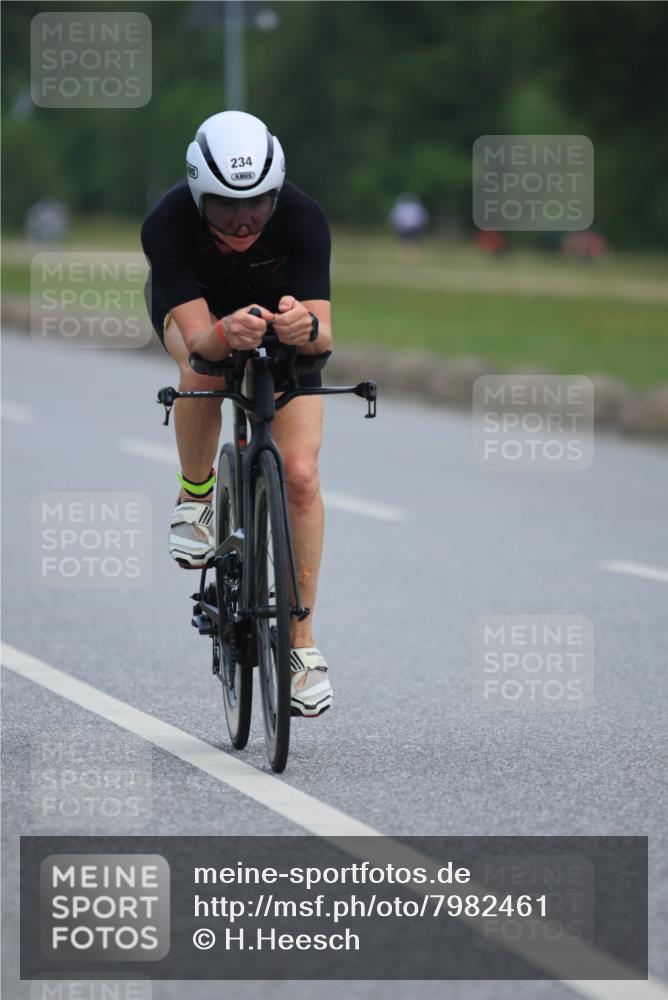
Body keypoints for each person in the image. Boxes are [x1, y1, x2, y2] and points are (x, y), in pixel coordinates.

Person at [141, 111, 333, 718]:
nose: (244, 220)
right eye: (225, 208)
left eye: (257, 204)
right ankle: (196, 494)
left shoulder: (303, 216)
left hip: (278, 319)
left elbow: (325, 336)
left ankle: (301, 645)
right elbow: (202, 343)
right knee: (203, 371)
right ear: (199, 196)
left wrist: (305, 328)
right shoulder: (166, 223)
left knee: (299, 475)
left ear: (277, 193)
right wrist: (226, 333)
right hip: (200, 314)